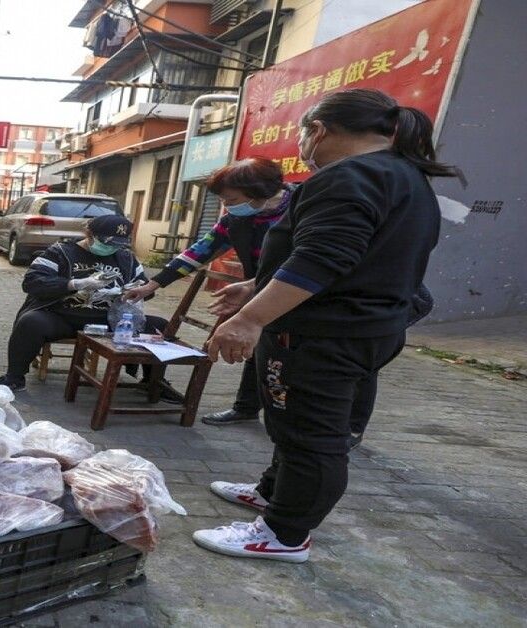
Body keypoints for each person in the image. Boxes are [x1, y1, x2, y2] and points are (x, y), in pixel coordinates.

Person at [191, 88, 462, 563]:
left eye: (302, 132)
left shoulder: (348, 177)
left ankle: (283, 534)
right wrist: (255, 285)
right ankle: (273, 493)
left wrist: (250, 319)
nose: (301, 142)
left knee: (311, 436)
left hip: (323, 336)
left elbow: (323, 258)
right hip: (364, 327)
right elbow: (351, 254)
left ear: (317, 129)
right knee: (293, 424)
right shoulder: (402, 175)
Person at [124, 158, 293, 426]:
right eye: (223, 200)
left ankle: (330, 423)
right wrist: (153, 284)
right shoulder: (237, 218)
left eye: (231, 199)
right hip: (257, 288)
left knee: (290, 355)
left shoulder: (303, 208)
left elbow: (309, 260)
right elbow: (200, 251)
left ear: (259, 191)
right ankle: (247, 407)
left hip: (298, 290)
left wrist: (254, 286)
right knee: (258, 346)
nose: (226, 206)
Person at [0, 215, 176, 398]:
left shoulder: (125, 258)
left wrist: (131, 290)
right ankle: (14, 377)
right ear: (89, 234)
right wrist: (75, 285)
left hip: (110, 320)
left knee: (159, 325)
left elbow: (146, 290)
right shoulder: (59, 252)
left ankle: (154, 381)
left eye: (117, 244)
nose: (111, 248)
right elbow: (32, 283)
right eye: (107, 242)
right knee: (30, 322)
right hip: (63, 317)